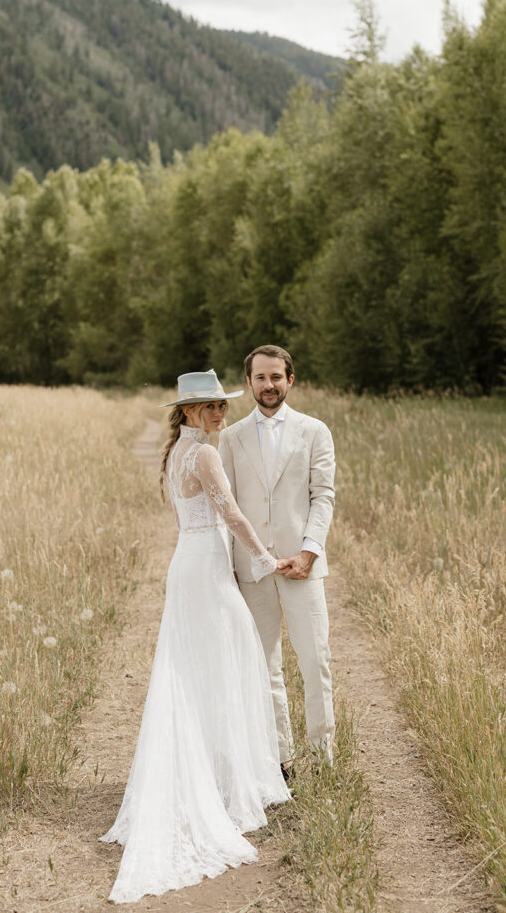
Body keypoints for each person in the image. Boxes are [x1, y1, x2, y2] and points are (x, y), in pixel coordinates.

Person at [100, 369, 291, 905]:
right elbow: (231, 514)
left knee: (200, 664)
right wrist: (265, 558)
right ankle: (224, 782)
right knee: (227, 659)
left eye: (221, 405)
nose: (219, 413)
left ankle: (212, 771)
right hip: (204, 567)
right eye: (209, 406)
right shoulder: (203, 454)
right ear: (187, 411)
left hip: (191, 562)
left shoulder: (176, 453)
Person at [218, 345, 336, 775]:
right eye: (260, 378)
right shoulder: (230, 438)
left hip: (302, 565)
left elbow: (323, 496)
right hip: (252, 569)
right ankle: (280, 758)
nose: (268, 385)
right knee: (263, 665)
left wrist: (308, 552)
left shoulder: (314, 431)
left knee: (315, 661)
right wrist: (231, 565)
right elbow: (227, 507)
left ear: (290, 380)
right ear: (248, 382)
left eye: (276, 377)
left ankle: (322, 757)